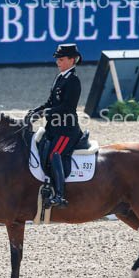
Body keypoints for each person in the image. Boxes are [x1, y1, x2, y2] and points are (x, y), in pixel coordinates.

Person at [24, 44, 83, 208]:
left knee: (54, 154)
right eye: (58, 59)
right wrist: (36, 111)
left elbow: (67, 107)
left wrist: (46, 112)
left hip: (66, 130)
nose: (58, 62)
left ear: (72, 60)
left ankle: (59, 195)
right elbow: (50, 102)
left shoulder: (73, 81)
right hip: (53, 127)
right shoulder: (59, 78)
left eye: (61, 59)